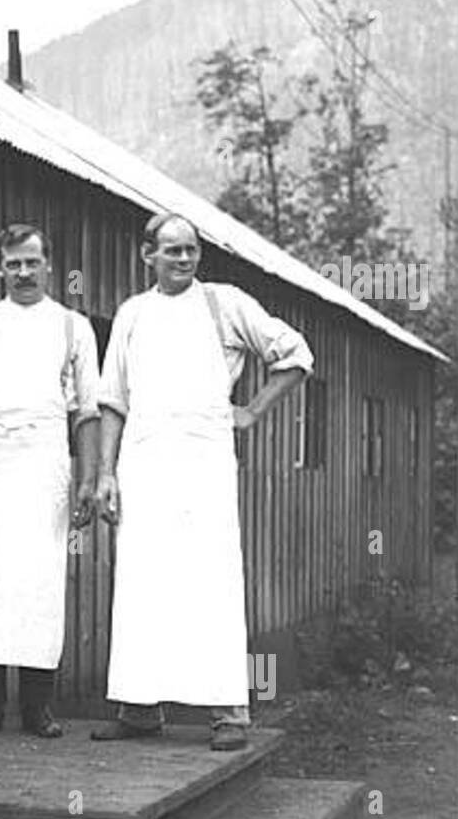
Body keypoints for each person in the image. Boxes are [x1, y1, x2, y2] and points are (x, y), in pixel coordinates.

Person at [93, 211, 313, 751]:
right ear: (148, 255)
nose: (185, 258)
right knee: (143, 582)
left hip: (205, 466)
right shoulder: (132, 313)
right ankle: (139, 709)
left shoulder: (225, 303)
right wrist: (104, 473)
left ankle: (229, 713)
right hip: (144, 464)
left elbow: (295, 354)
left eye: (191, 248)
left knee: (211, 582)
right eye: (172, 250)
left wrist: (253, 411)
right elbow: (112, 400)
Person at [0, 224, 100, 738]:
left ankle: (38, 706)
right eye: (13, 264)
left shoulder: (72, 326)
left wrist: (88, 478)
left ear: (49, 265)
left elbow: (88, 409)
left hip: (43, 457)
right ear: (0, 270)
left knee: (38, 578)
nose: (24, 272)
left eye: (32, 262)